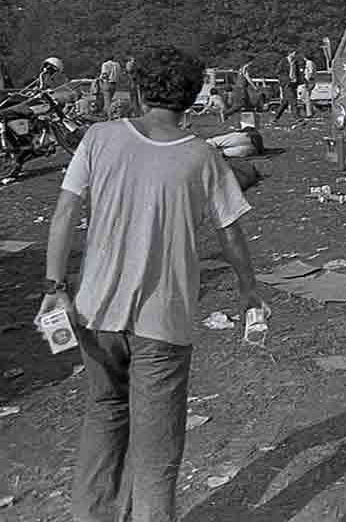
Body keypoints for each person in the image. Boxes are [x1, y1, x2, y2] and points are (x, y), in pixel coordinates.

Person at [34, 45, 267, 522]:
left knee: (104, 413)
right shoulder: (202, 157)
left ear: (138, 90)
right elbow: (230, 232)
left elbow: (64, 214)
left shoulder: (98, 138)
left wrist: (55, 285)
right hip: (162, 324)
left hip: (95, 314)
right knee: (157, 448)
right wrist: (249, 291)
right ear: (193, 98)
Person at [273, 50, 302, 122]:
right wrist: (285, 79)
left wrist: (299, 81)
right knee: (293, 100)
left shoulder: (295, 62)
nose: (295, 54)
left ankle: (275, 118)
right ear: (290, 53)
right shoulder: (283, 61)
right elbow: (277, 72)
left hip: (293, 84)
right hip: (286, 84)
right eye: (294, 52)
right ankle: (297, 117)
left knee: (285, 103)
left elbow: (297, 72)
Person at [98, 56, 122, 120]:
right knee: (110, 101)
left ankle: (109, 118)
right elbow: (119, 74)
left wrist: (100, 79)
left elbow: (104, 74)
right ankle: (110, 115)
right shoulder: (117, 65)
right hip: (114, 84)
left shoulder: (105, 64)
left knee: (107, 102)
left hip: (107, 83)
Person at [302, 53, 317, 118]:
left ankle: (309, 113)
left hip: (309, 81)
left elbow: (310, 72)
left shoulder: (309, 63)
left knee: (306, 97)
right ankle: (311, 110)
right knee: (305, 97)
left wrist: (307, 80)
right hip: (311, 81)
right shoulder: (312, 63)